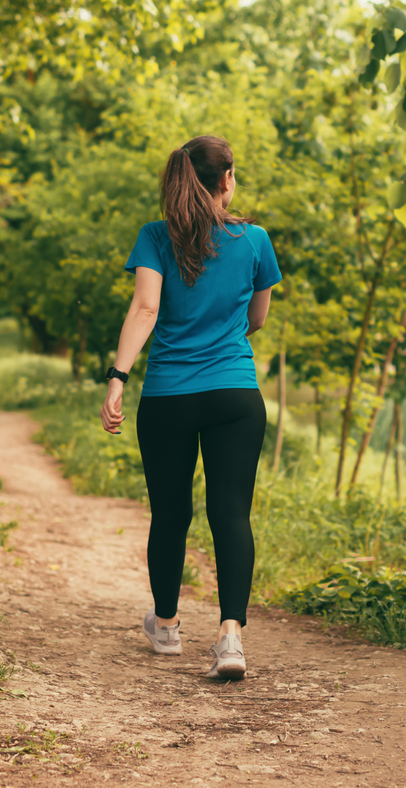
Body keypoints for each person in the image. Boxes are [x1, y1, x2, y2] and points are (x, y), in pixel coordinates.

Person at [99, 135, 280, 681]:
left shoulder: (155, 237)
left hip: (168, 397)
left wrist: (117, 378)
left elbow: (146, 308)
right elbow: (256, 320)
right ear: (226, 179)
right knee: (231, 513)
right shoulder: (255, 241)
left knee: (171, 513)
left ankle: (168, 626)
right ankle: (230, 638)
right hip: (234, 395)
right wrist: (219, 334)